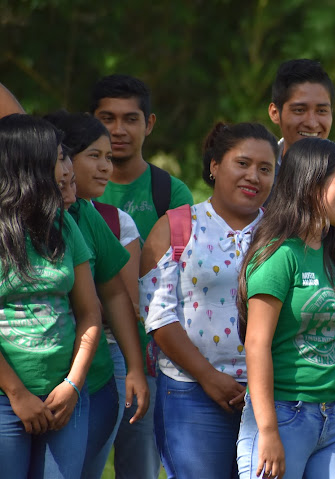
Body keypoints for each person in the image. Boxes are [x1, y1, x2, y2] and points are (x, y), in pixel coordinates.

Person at [140, 122, 278, 479]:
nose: (254, 176)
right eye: (242, 163)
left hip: (269, 396)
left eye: (265, 169)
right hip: (190, 393)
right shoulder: (176, 226)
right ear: (215, 166)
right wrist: (208, 376)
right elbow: (158, 316)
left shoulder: (282, 234)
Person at [89, 73, 194, 479]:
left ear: (149, 124)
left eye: (130, 119)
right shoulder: (68, 190)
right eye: (107, 118)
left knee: (140, 467)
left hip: (150, 355)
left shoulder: (171, 192)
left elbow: (183, 282)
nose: (118, 130)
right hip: (82, 352)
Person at [236, 137, 335, 479]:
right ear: (312, 185)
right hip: (283, 414)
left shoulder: (328, 252)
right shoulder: (279, 255)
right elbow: (256, 345)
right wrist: (269, 432)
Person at [46, 110, 150, 479]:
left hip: (96, 383)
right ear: (57, 157)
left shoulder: (86, 214)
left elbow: (116, 294)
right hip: (31, 389)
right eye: (94, 156)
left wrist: (135, 368)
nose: (106, 167)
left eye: (109, 157)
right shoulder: (17, 221)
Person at [0, 114, 102, 478]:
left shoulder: (65, 224)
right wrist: (17, 395)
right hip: (5, 400)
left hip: (65, 398)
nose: (67, 166)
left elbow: (90, 313)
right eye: (59, 157)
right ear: (28, 163)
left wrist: (73, 384)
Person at [268, 59, 334, 167]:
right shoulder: (255, 176)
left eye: (321, 111)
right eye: (299, 110)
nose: (312, 124)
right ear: (275, 113)